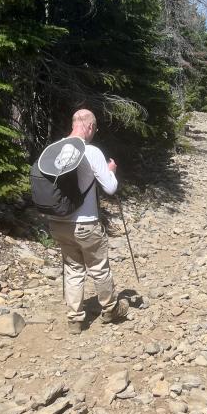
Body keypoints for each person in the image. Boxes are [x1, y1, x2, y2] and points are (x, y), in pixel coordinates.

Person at [49, 109, 129, 333]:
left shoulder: (54, 151)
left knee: (73, 269)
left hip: (58, 223)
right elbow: (110, 188)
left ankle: (75, 319)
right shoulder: (91, 151)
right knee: (98, 267)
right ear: (91, 127)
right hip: (85, 222)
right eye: (95, 128)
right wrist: (111, 170)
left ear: (73, 123)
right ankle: (111, 309)